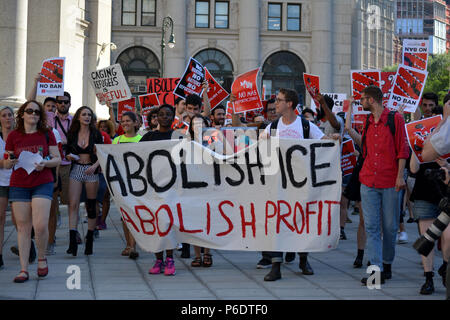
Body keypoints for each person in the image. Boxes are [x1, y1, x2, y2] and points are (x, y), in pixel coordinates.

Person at [260, 88, 339, 281]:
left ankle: (304, 259)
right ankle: (276, 265)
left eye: (279, 100)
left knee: (302, 220)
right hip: (278, 184)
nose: (275, 104)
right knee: (277, 221)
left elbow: (322, 144)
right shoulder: (272, 128)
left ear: (289, 104)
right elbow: (261, 153)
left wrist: (333, 140)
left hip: (302, 184)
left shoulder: (305, 126)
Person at [357, 86, 409, 286]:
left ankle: (387, 264)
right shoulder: (367, 121)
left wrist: (399, 177)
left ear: (371, 100)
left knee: (389, 227)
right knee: (371, 226)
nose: (360, 102)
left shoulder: (395, 119)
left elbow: (402, 150)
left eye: (362, 99)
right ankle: (375, 270)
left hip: (390, 181)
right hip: (368, 181)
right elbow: (365, 150)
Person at [5, 100, 61, 282]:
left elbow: (57, 159)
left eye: (37, 112)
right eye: (29, 111)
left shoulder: (47, 134)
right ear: (22, 114)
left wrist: (45, 163)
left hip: (42, 181)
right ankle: (23, 269)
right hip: (19, 183)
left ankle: (42, 257)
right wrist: (8, 162)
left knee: (40, 225)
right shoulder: (13, 135)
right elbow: (7, 160)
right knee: (23, 227)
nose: (34, 114)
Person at [140, 104, 178, 276]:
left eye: (168, 114)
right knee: (156, 222)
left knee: (168, 222)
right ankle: (158, 259)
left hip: (173, 186)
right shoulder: (149, 136)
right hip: (152, 185)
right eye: (161, 114)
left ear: (173, 116)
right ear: (156, 117)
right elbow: (134, 154)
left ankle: (170, 258)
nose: (164, 117)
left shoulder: (178, 136)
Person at [409, 152, 450, 294]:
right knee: (427, 239)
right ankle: (428, 278)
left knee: (448, 237)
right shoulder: (419, 135)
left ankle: (445, 267)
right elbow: (413, 169)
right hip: (424, 191)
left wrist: (446, 165)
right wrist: (415, 149)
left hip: (447, 192)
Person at [65, 106, 103, 256]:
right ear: (78, 117)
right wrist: (69, 156)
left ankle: (90, 240)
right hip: (76, 170)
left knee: (91, 206)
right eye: (84, 114)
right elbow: (67, 151)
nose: (87, 117)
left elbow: (102, 153)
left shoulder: (96, 133)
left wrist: (94, 166)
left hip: (91, 170)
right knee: (73, 205)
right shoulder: (72, 134)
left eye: (89, 115)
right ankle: (72, 241)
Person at [112, 111, 142, 260]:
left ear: (135, 123)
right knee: (125, 215)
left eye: (128, 121)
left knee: (135, 213)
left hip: (138, 182)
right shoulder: (116, 141)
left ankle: (133, 245)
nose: (125, 123)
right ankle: (129, 245)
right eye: (122, 121)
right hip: (121, 182)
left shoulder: (142, 139)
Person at [0, 106, 15, 269]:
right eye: (4, 115)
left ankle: (28, 245)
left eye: (10, 115)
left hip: (18, 182)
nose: (7, 118)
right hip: (1, 183)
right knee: (1, 219)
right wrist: (2, 163)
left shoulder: (19, 136)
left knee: (20, 220)